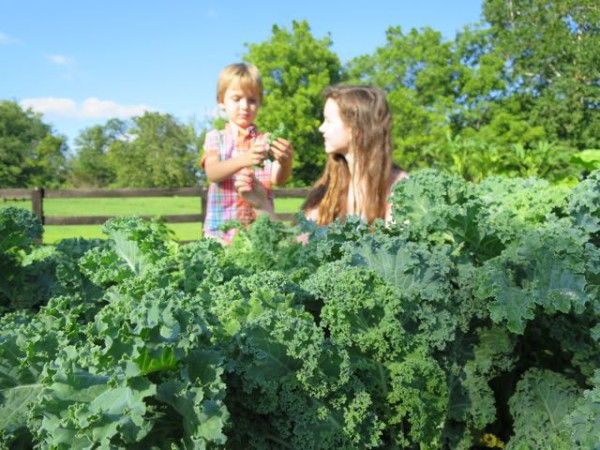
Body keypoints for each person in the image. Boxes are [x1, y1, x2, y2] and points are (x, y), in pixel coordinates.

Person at [235, 84, 407, 227]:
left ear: (356, 129)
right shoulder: (329, 186)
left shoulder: (399, 186)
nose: (321, 128)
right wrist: (262, 204)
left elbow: (399, 255)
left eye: (329, 121)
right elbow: (297, 247)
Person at [201, 63, 294, 243]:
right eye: (236, 99)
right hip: (221, 233)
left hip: (259, 232)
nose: (244, 106)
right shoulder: (216, 138)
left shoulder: (266, 141)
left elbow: (278, 179)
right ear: (221, 100)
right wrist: (244, 159)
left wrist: (286, 161)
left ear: (260, 102)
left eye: (252, 100)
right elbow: (212, 173)